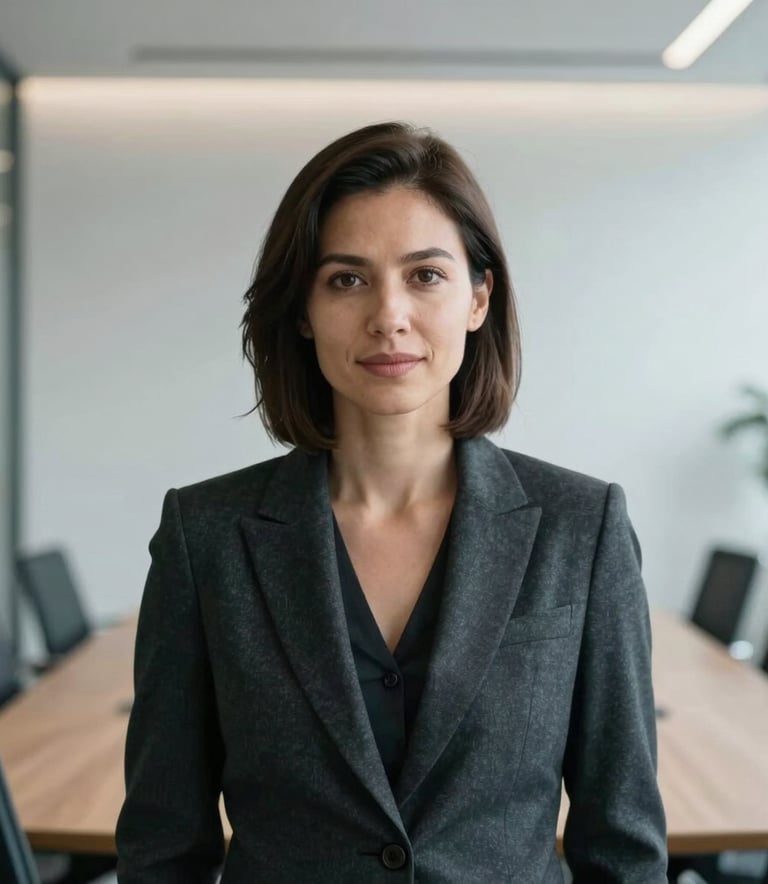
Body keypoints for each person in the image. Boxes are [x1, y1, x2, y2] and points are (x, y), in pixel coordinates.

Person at [116, 122, 667, 883]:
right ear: (303, 311)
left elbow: (624, 845)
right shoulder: (205, 536)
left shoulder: (583, 527)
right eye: (347, 278)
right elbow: (163, 846)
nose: (389, 316)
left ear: (479, 297)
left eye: (426, 275)